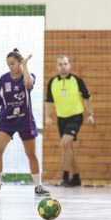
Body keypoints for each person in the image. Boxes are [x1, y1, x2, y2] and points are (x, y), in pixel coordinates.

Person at [0, 49, 50, 196]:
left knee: (31, 154)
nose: (10, 66)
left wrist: (25, 65)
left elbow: (28, 83)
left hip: (25, 120)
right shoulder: (3, 79)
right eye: (8, 64)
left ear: (19, 62)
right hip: (6, 121)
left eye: (13, 63)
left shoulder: (28, 75)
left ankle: (38, 186)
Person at [45, 55, 94, 187]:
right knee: (68, 147)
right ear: (57, 67)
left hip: (76, 116)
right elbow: (49, 101)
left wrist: (90, 114)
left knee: (65, 143)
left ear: (69, 65)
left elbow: (87, 97)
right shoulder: (52, 82)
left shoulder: (77, 80)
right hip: (61, 118)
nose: (63, 67)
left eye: (65, 64)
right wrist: (47, 116)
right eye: (60, 64)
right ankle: (76, 178)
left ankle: (65, 176)